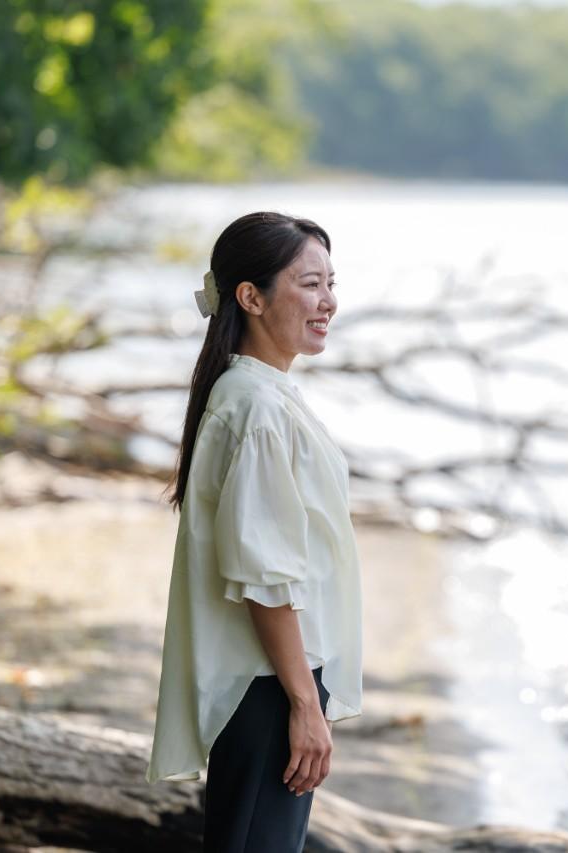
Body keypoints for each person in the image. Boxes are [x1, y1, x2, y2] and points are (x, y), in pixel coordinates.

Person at [145, 211, 363, 852]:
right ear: (251, 296)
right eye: (310, 284)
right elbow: (265, 580)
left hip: (273, 677)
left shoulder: (255, 393)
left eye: (331, 283)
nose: (327, 303)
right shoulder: (257, 408)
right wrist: (304, 705)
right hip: (268, 682)